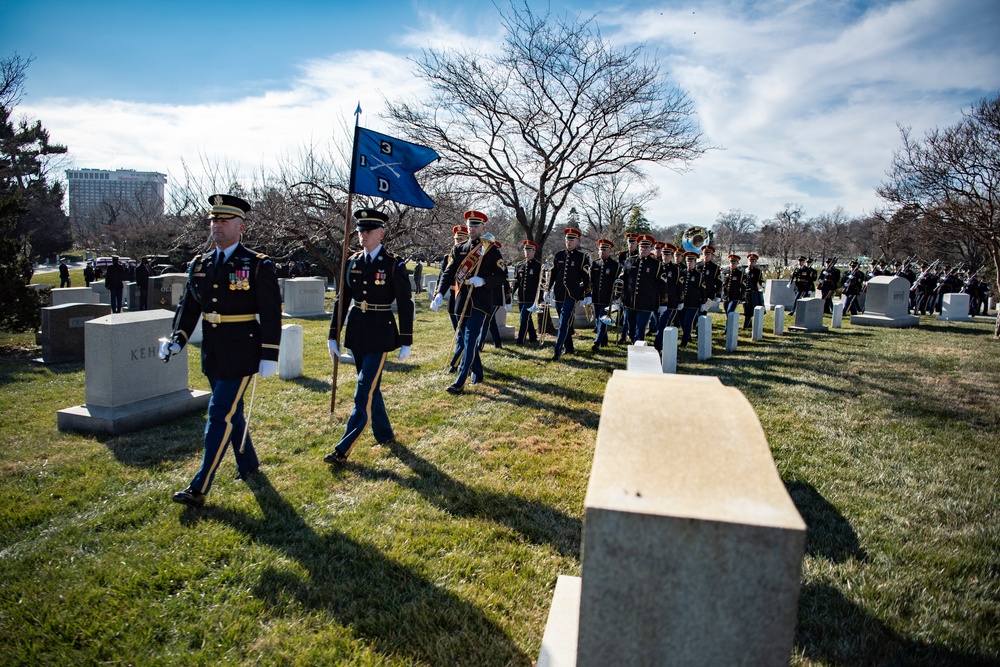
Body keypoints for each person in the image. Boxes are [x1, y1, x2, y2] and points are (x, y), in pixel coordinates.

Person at [158, 194, 281, 508]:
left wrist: (269, 354)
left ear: (241, 228)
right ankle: (249, 464)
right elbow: (190, 307)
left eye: (224, 221)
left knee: (219, 413)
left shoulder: (257, 264)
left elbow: (270, 312)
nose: (217, 226)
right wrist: (177, 338)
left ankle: (199, 485)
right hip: (213, 349)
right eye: (214, 220)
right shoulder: (200, 264)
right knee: (233, 413)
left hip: (243, 350)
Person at [324, 209, 414, 466]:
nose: (362, 235)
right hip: (357, 330)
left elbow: (405, 303)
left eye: (368, 231)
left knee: (363, 390)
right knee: (371, 387)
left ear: (381, 234)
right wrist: (334, 334)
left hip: (380, 332)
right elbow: (343, 299)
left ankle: (343, 448)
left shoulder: (393, 263)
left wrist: (406, 339)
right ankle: (384, 434)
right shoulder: (352, 261)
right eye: (360, 231)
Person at [432, 210, 506, 394]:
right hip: (462, 298)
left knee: (470, 338)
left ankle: (460, 380)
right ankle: (478, 373)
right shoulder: (459, 249)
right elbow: (448, 273)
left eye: (475, 225)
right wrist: (440, 293)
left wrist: (484, 280)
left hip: (480, 300)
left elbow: (501, 275)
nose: (471, 228)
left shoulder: (491, 249)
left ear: (483, 227)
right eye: (469, 225)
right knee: (466, 341)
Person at [549, 227, 592, 360]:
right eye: (567, 239)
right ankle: (569, 348)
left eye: (572, 240)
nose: (569, 242)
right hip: (558, 293)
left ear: (577, 241)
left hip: (572, 294)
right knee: (565, 322)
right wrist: (546, 290)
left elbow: (586, 277)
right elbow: (553, 274)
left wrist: (587, 294)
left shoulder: (582, 257)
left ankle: (557, 349)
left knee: (563, 322)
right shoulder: (559, 255)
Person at [621, 234, 666, 344]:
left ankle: (638, 351)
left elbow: (662, 285)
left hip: (646, 303)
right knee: (630, 329)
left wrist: (664, 302)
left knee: (640, 329)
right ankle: (634, 345)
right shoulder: (630, 261)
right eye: (641, 246)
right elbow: (622, 279)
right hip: (630, 302)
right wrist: (618, 296)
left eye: (646, 247)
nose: (643, 249)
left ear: (650, 248)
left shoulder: (656, 264)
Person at [589, 239, 619, 351]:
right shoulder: (595, 263)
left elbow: (617, 282)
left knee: (602, 320)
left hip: (608, 298)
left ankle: (597, 342)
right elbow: (591, 280)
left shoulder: (615, 265)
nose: (602, 252)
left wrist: (616, 297)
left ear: (610, 251)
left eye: (604, 250)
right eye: (601, 249)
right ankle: (604, 341)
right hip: (596, 296)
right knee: (598, 319)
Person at [511, 240, 542, 345]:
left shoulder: (538, 266)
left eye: (529, 250)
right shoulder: (519, 266)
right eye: (525, 250)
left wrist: (540, 298)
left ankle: (520, 340)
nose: (527, 252)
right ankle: (533, 336)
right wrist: (510, 293)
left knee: (523, 318)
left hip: (531, 298)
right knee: (527, 318)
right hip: (521, 297)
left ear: (534, 252)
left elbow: (540, 284)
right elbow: (516, 282)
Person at [678, 251, 706, 347]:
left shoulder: (699, 275)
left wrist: (703, 302)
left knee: (687, 322)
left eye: (691, 261)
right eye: (687, 261)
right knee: (681, 321)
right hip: (682, 302)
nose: (689, 263)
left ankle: (684, 342)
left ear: (695, 262)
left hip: (693, 303)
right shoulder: (682, 273)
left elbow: (702, 289)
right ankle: (687, 336)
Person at [741, 252, 765, 329]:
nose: (751, 262)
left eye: (753, 261)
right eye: (750, 260)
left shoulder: (757, 271)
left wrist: (762, 284)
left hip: (753, 292)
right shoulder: (744, 270)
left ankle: (748, 324)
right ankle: (748, 324)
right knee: (746, 308)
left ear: (755, 262)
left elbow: (760, 280)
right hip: (745, 292)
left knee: (753, 309)